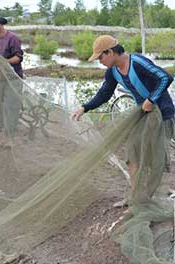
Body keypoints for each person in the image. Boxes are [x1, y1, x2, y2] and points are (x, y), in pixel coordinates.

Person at [72, 35, 175, 206]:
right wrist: (85, 107)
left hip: (162, 114)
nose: (100, 61)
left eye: (100, 57)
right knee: (133, 153)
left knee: (155, 158)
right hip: (143, 115)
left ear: (110, 52)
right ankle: (136, 198)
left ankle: (152, 197)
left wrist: (151, 99)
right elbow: (105, 93)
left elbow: (165, 78)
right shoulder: (112, 71)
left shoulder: (138, 63)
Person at [0, 14, 24, 148]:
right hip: (0, 80)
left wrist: (4, 62)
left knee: (10, 108)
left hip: (13, 80)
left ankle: (10, 139)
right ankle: (4, 135)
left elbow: (18, 58)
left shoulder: (12, 39)